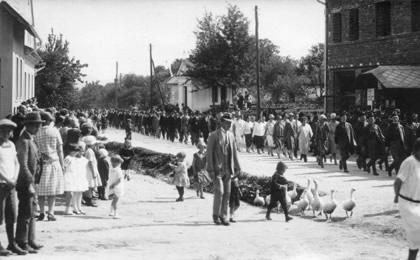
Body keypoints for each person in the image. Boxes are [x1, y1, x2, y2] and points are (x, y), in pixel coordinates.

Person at [15, 112, 44, 254]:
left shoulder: (31, 139)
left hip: (33, 182)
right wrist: (29, 183)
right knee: (25, 213)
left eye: (39, 125)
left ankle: (31, 239)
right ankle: (22, 241)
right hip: (26, 183)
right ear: (28, 125)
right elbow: (23, 164)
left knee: (32, 212)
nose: (38, 128)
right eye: (35, 125)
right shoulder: (24, 141)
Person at [207, 113, 241, 226]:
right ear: (221, 122)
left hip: (228, 169)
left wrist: (238, 167)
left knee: (227, 193)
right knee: (220, 192)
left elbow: (234, 153)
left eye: (230, 123)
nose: (229, 125)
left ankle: (224, 216)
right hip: (217, 170)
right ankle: (215, 215)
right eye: (227, 122)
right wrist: (210, 169)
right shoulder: (213, 135)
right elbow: (209, 154)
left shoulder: (231, 135)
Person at [33, 111, 65, 222]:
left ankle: (42, 212)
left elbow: (35, 149)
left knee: (41, 191)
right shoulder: (55, 131)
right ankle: (51, 212)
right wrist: (62, 163)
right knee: (52, 191)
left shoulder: (36, 133)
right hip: (54, 162)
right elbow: (60, 149)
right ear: (47, 120)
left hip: (41, 163)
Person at [0, 119, 24, 256]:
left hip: (11, 185)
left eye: (8, 131)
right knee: (0, 215)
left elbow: (17, 163)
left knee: (11, 214)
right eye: (3, 130)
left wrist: (14, 177)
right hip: (1, 184)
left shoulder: (12, 145)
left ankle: (12, 243)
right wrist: (7, 179)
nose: (6, 133)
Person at [394, 138, 420, 260]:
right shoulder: (409, 162)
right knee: (415, 237)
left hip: (418, 203)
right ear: (416, 150)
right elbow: (398, 181)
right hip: (407, 204)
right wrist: (396, 196)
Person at [83, 136, 102, 207]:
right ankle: (89, 199)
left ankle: (88, 199)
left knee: (91, 186)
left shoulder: (88, 150)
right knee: (90, 185)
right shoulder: (90, 151)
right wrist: (94, 172)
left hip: (90, 169)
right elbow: (90, 162)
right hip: (90, 170)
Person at [107, 155, 125, 219]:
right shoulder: (118, 170)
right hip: (117, 186)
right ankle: (115, 214)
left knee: (114, 199)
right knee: (116, 201)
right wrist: (114, 184)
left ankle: (111, 211)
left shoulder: (111, 167)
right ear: (118, 163)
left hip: (111, 184)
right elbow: (119, 180)